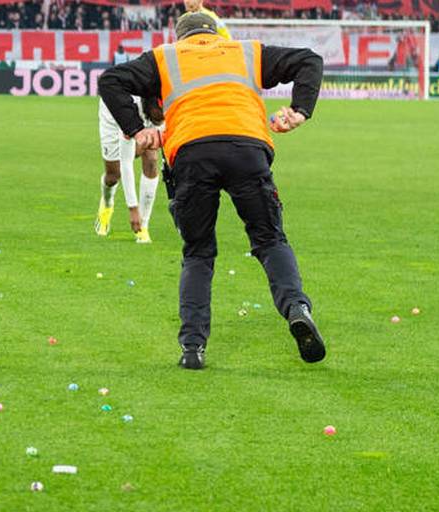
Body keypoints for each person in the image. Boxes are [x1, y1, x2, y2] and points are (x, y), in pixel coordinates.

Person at [100, 12, 325, 369]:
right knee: (269, 240)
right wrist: (299, 111)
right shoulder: (245, 51)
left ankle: (193, 348)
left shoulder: (165, 57)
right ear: (215, 33)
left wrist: (135, 129)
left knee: (198, 253)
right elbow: (309, 60)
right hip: (247, 149)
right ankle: (297, 307)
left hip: (192, 153)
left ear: (180, 37)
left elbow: (111, 79)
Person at [95, 96, 163, 244]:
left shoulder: (165, 101)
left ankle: (143, 227)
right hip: (113, 115)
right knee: (114, 175)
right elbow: (127, 163)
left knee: (151, 160)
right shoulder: (127, 108)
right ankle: (107, 204)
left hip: (145, 107)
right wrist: (133, 209)